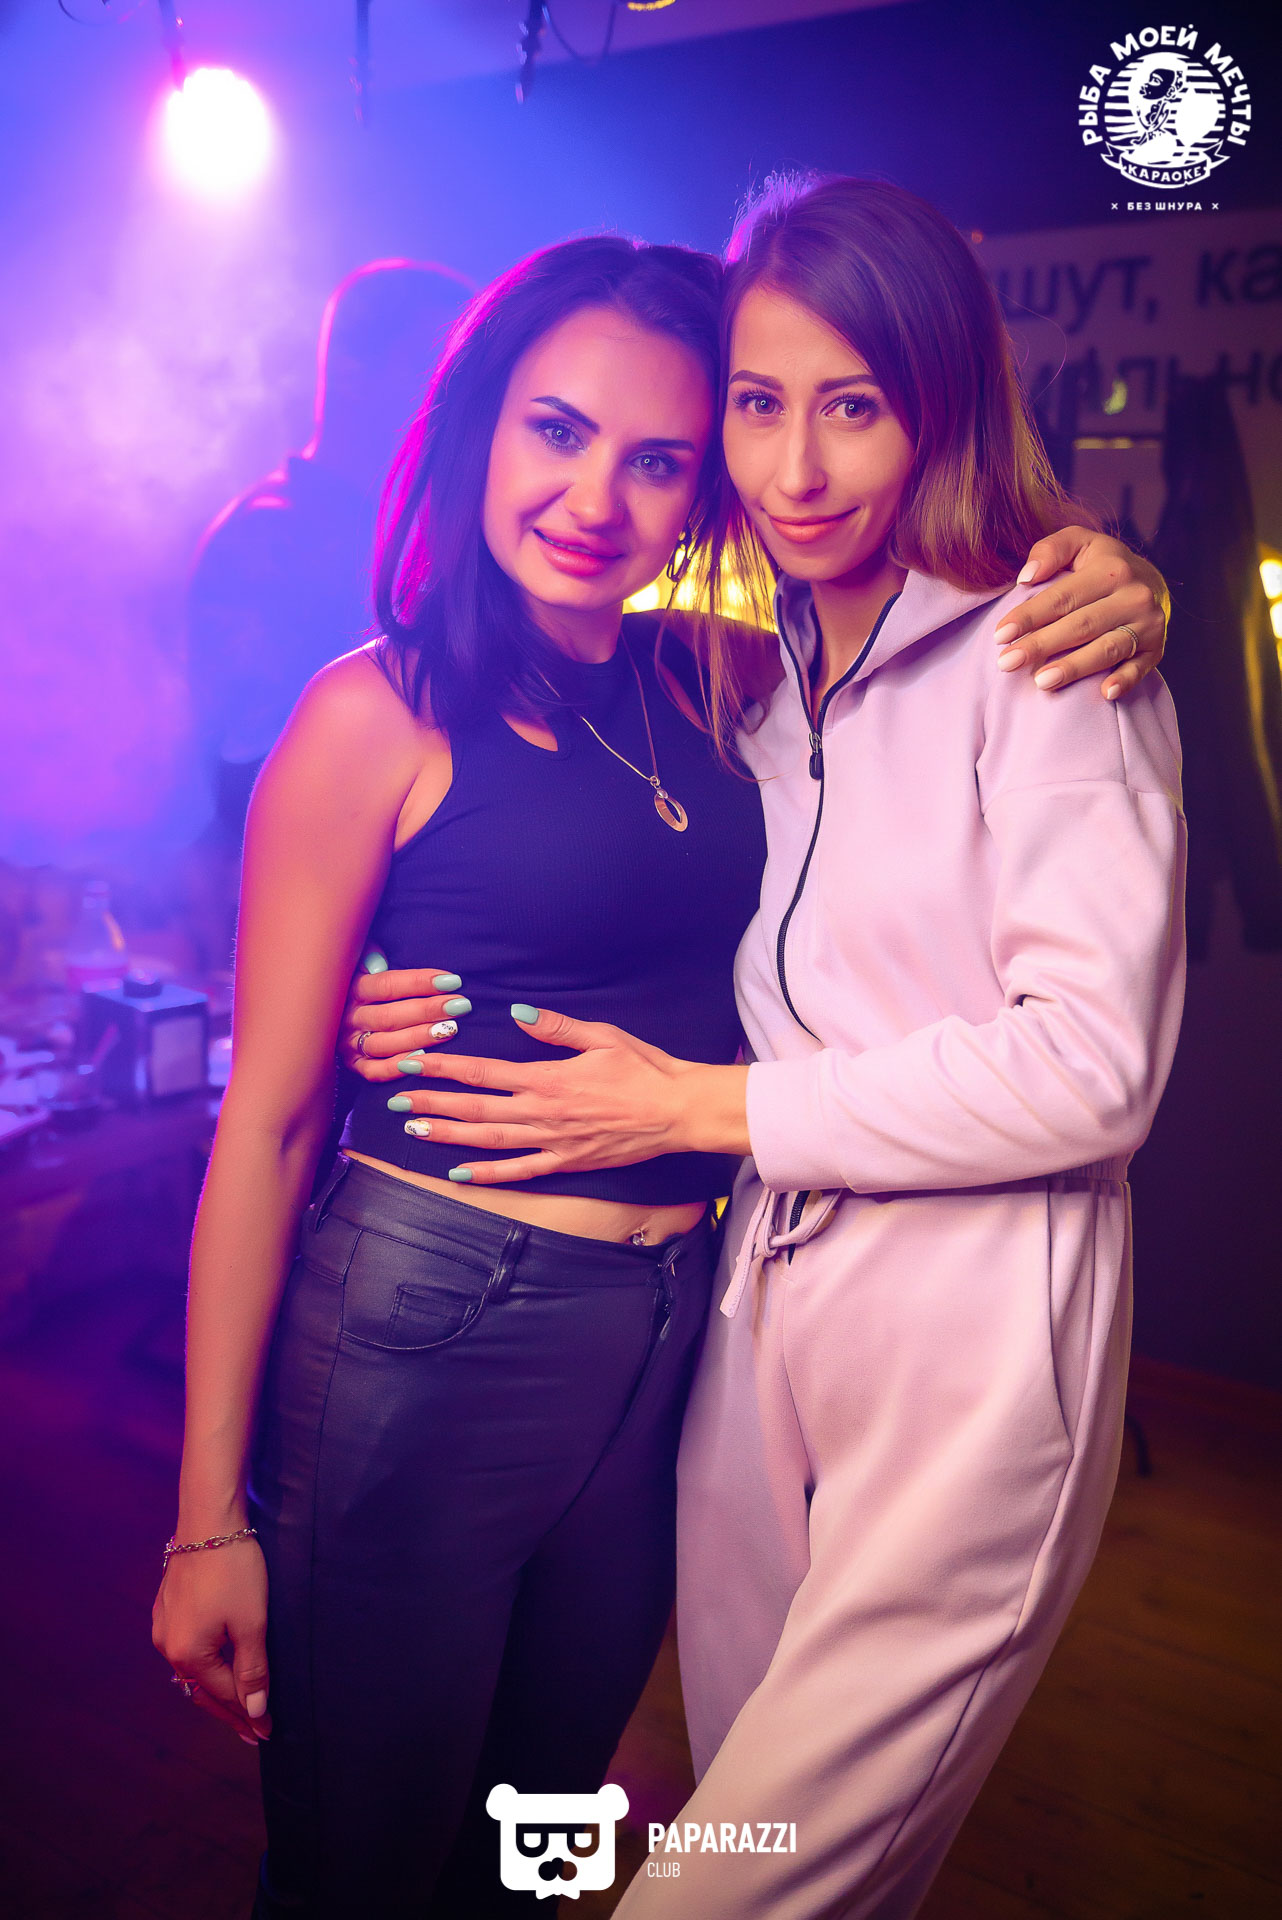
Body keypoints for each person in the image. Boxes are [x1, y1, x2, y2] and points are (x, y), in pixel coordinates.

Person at [351, 178, 1185, 1920]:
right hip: (761, 1302)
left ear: (937, 405)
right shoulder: (755, 668)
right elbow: (589, 844)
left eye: (852, 406)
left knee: (734, 1889)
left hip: (976, 1318)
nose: (795, 468)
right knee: (747, 1811)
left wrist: (704, 1106)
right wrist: (397, 963)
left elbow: (1093, 1066)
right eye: (755, 405)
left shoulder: (1044, 651)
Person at [184, 259, 471, 965]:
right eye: (435, 370)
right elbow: (244, 766)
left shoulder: (424, 524)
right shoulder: (268, 538)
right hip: (307, 923)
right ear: (348, 373)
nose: (458, 399)